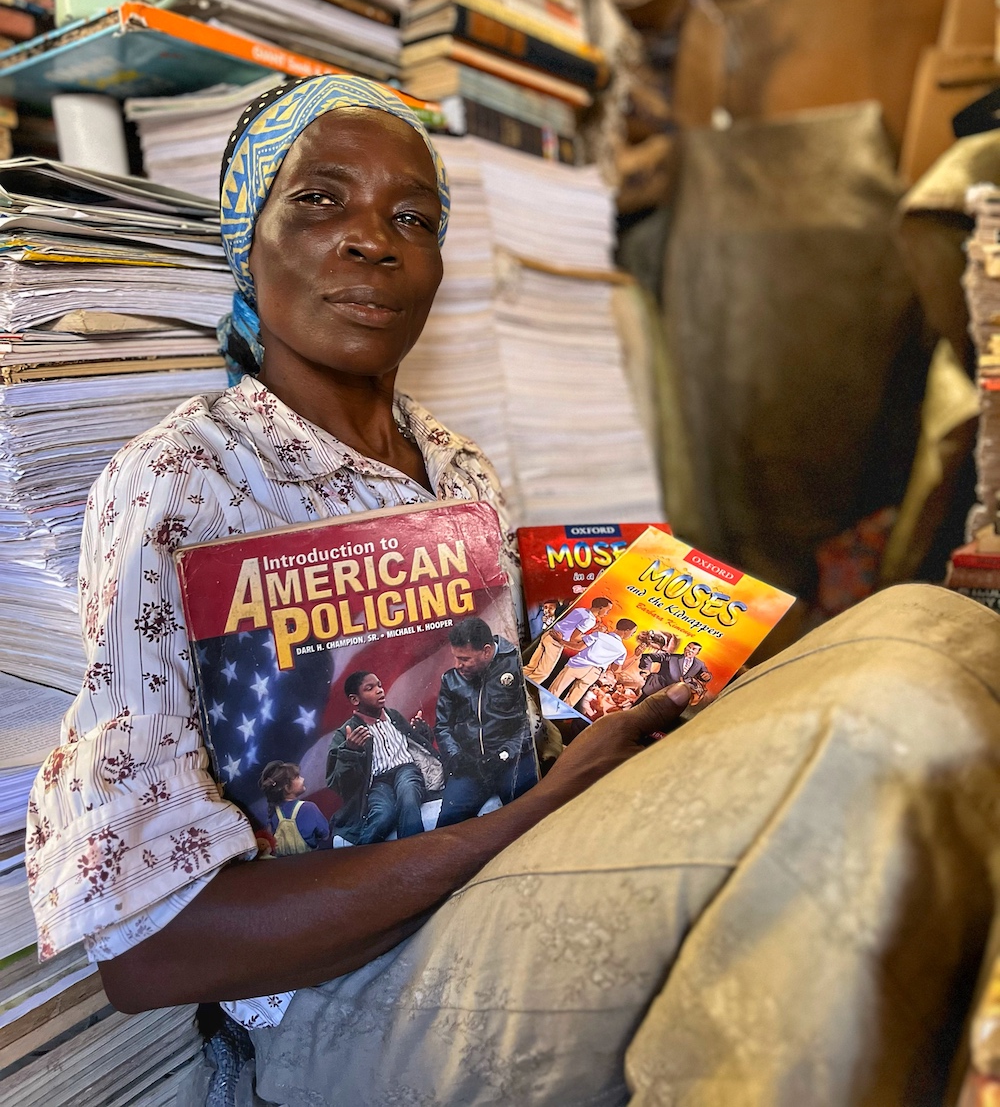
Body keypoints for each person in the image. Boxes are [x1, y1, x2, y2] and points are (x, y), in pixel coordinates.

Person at [25, 74, 1000, 1104]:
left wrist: (637, 699)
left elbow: (498, 734)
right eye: (319, 199)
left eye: (415, 217)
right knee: (876, 725)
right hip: (345, 1006)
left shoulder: (454, 466)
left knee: (939, 629)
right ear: (244, 232)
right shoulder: (184, 482)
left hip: (501, 880)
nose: (373, 240)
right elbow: (148, 953)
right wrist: (534, 810)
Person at [435, 616, 536, 827]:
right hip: (471, 768)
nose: (457, 665)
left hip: (512, 759)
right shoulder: (450, 679)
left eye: (464, 659)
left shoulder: (519, 663)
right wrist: (457, 757)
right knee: (446, 825)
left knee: (528, 817)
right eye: (455, 657)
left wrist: (505, 753)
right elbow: (443, 726)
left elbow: (532, 720)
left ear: (487, 651)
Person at [325, 671, 435, 845]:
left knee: (408, 797)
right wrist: (350, 751)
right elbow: (338, 782)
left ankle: (413, 851)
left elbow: (418, 746)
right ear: (355, 700)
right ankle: (362, 861)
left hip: (405, 770)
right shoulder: (347, 732)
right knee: (383, 814)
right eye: (370, 688)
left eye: (379, 685)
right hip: (377, 783)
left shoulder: (394, 716)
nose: (379, 691)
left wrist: (421, 732)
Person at [522, 595, 615, 686]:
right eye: (608, 610)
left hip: (549, 635)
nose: (607, 613)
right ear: (601, 608)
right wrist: (593, 636)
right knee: (542, 673)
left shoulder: (581, 610)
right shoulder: (590, 620)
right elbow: (574, 638)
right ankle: (521, 690)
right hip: (555, 642)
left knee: (531, 666)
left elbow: (569, 627)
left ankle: (517, 678)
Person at [549, 616, 638, 708]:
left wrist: (560, 640)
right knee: (571, 701)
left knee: (555, 691)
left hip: (578, 665)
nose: (632, 634)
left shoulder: (599, 635)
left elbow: (578, 647)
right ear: (626, 630)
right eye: (633, 632)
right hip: (594, 673)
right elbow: (616, 669)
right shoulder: (622, 650)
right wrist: (634, 657)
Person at [259, 762, 330, 855]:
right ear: (287, 788)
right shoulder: (309, 808)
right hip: (310, 863)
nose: (303, 779)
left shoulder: (273, 812)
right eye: (298, 777)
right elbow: (325, 833)